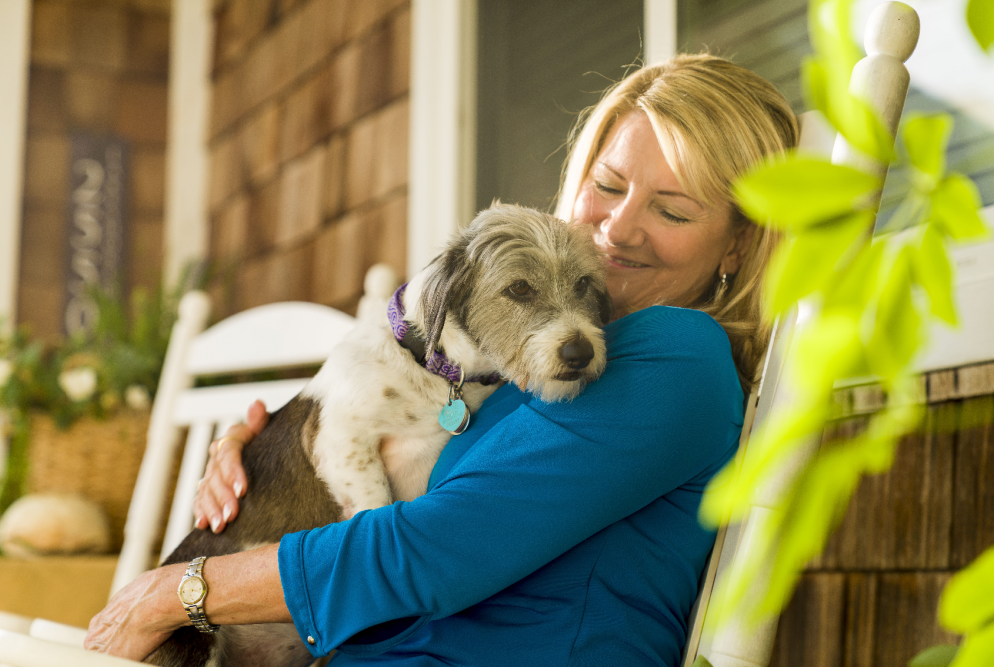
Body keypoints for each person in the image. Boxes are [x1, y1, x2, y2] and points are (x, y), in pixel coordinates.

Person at [86, 54, 798, 666]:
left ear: (737, 245)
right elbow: (391, 468)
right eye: (607, 185)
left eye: (672, 211)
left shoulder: (677, 355)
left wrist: (183, 591)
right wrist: (270, 454)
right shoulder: (522, 367)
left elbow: (432, 551)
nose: (618, 228)